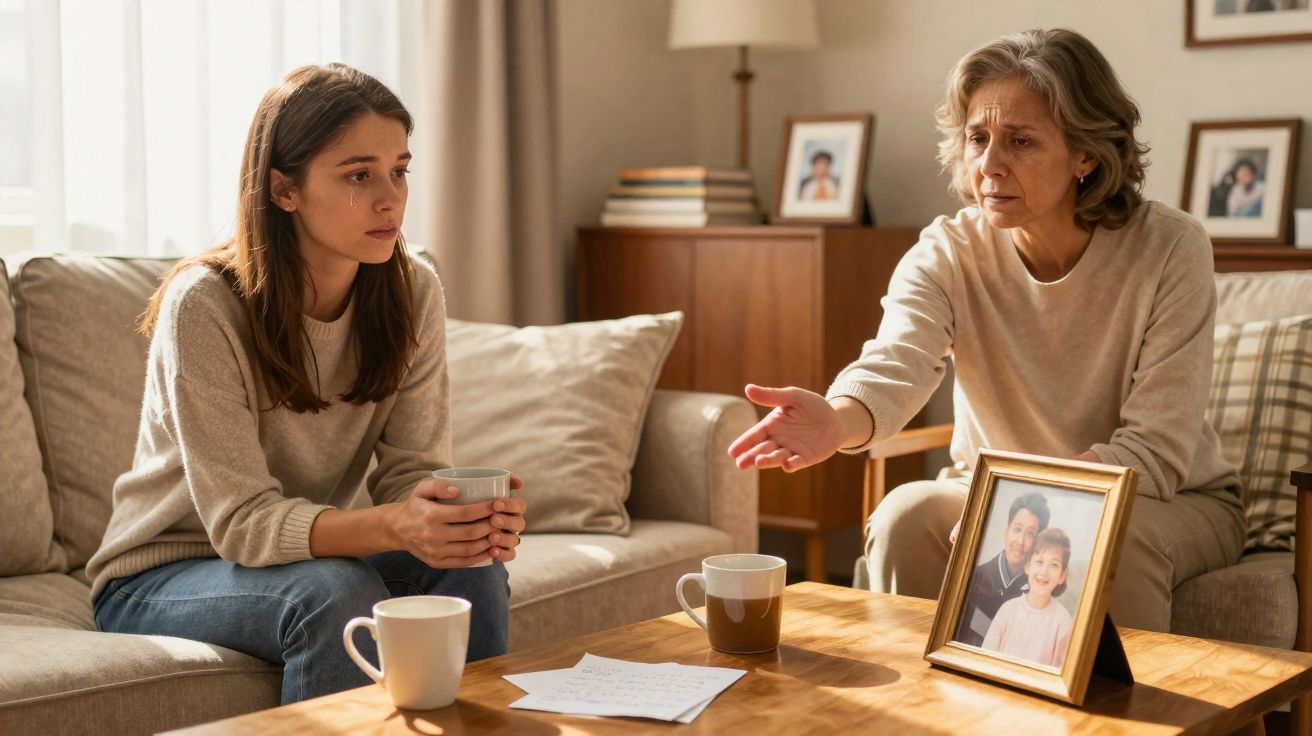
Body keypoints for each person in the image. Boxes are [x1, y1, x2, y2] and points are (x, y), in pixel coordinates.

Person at [727, 28, 1244, 634]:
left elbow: (1155, 449)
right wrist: (838, 418)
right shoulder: (947, 250)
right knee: (904, 514)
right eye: (977, 138)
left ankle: (1129, 729)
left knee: (1106, 541)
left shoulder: (1170, 248)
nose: (989, 165)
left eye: (1020, 141)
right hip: (1001, 494)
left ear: (1086, 154)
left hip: (1163, 500)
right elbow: (897, 362)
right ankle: (924, 720)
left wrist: (1024, 510)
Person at [87, 64, 528, 705]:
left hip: (293, 557)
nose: (390, 198)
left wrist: (459, 517)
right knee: (334, 591)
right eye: (358, 175)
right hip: (163, 571)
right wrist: (398, 526)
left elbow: (412, 473)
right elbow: (241, 524)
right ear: (284, 190)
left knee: (472, 566)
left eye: (399, 170)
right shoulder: (205, 305)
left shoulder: (413, 289)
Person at [956, 492, 1049, 647]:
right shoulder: (974, 578)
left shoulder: (1041, 594)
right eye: (1017, 529)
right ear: (1007, 530)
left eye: (1030, 535)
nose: (1020, 541)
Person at [981, 528, 1075, 668]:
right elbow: (983, 659)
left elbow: (1063, 673)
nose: (1044, 572)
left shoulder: (1063, 622)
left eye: (1054, 565)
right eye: (1039, 561)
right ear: (1027, 567)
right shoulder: (1008, 610)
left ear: (1062, 575)